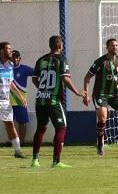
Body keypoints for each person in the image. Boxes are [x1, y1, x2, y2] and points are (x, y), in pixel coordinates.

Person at [31, 36, 84, 168]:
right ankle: (56, 161)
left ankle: (35, 160)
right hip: (53, 100)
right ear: (61, 46)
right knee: (61, 128)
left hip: (40, 100)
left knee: (41, 128)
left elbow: (34, 79)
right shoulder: (61, 59)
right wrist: (77, 91)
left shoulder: (41, 59)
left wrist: (43, 89)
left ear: (50, 46)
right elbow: (65, 79)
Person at [82, 38, 118, 156]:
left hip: (113, 94)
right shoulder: (100, 62)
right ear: (107, 47)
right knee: (103, 118)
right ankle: (100, 145)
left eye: (116, 45)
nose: (115, 47)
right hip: (100, 94)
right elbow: (87, 78)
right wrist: (85, 95)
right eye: (112, 46)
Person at [9, 50, 33, 144]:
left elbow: (36, 72)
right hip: (7, 100)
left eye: (16, 57)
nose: (15, 59)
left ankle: (21, 142)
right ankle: (14, 142)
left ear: (20, 58)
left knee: (22, 122)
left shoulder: (24, 69)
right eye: (13, 57)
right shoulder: (5, 69)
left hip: (20, 100)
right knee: (9, 122)